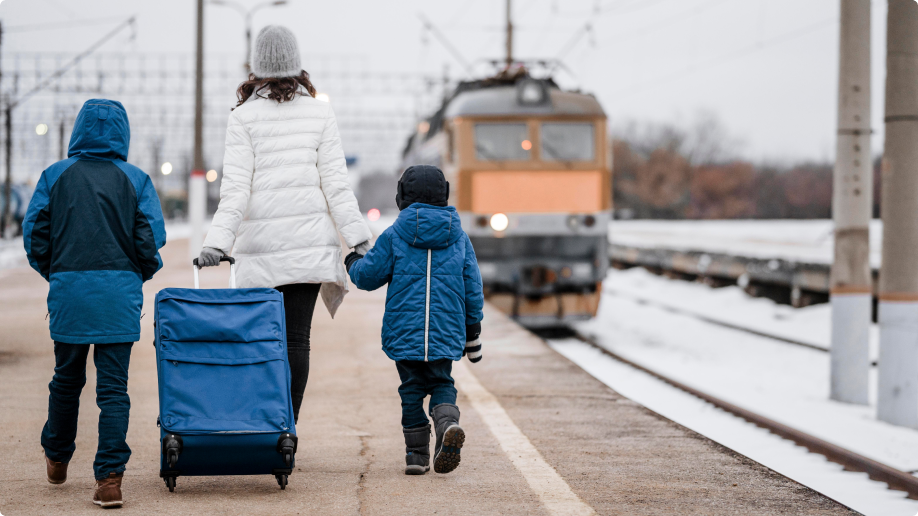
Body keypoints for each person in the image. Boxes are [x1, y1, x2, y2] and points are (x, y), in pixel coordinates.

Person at [197, 26, 372, 424]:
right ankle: (286, 431)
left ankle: (261, 424)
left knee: (261, 342)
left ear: (256, 68)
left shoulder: (242, 118)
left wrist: (216, 243)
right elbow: (336, 185)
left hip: (260, 254)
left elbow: (235, 192)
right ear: (296, 64)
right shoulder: (320, 111)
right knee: (297, 341)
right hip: (310, 251)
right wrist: (359, 238)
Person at [21, 99, 166, 508]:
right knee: (114, 390)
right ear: (123, 132)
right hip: (118, 296)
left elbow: (34, 237)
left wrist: (57, 273)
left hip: (69, 292)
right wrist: (139, 274)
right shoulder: (135, 179)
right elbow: (149, 241)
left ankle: (57, 456)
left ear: (78, 131)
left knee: (65, 380)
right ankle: (109, 480)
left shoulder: (55, 176)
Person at [345, 165, 484, 475]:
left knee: (411, 390)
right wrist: (472, 333)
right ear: (444, 194)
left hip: (404, 331)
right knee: (442, 383)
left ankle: (416, 457)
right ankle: (447, 423)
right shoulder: (459, 237)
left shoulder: (395, 235)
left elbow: (368, 277)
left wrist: (353, 261)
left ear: (401, 197)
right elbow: (473, 288)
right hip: (446, 332)